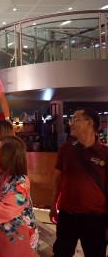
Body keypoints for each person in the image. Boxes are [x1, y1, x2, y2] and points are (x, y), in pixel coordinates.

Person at [50, 108, 108, 257]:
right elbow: (57, 179)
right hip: (67, 215)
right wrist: (53, 205)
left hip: (95, 219)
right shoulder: (66, 149)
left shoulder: (105, 153)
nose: (70, 123)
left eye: (75, 119)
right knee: (61, 253)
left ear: (89, 123)